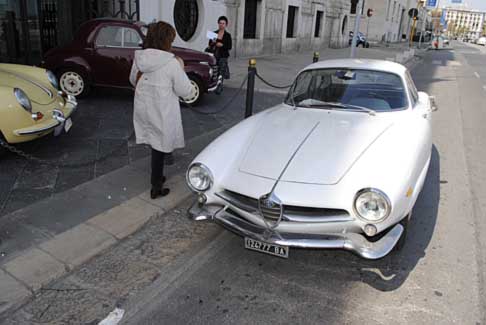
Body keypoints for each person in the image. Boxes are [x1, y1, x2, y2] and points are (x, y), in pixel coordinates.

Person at [129, 21, 193, 199]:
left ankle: (157, 178)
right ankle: (155, 186)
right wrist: (181, 68)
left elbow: (133, 80)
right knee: (159, 147)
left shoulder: (140, 59)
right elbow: (185, 90)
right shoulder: (171, 63)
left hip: (144, 108)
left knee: (156, 145)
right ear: (166, 40)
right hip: (162, 110)